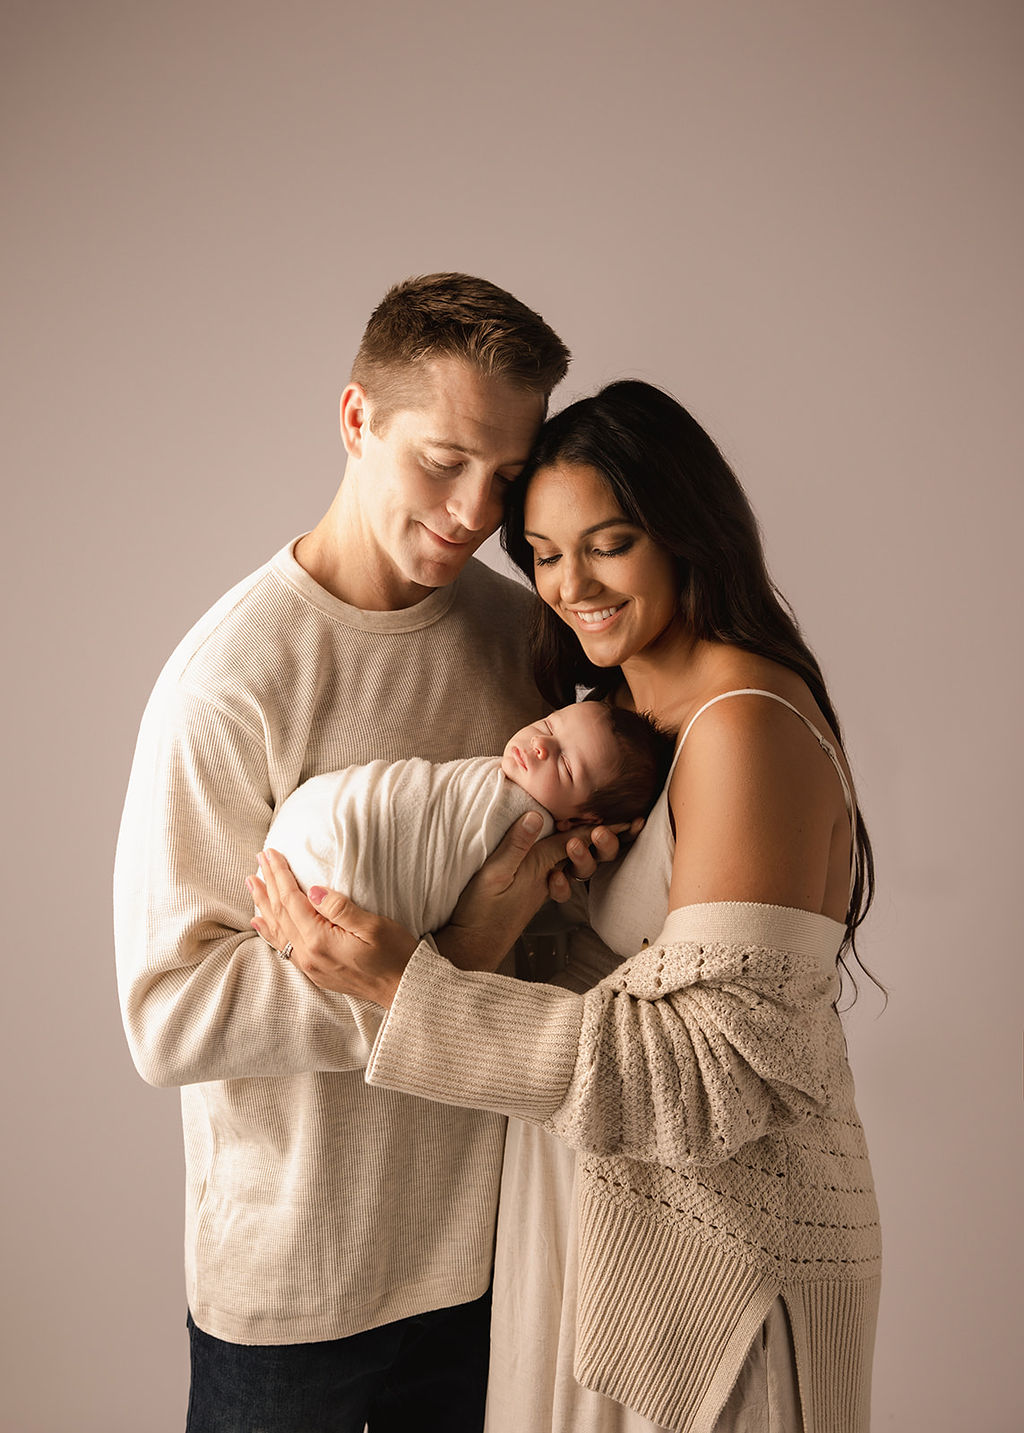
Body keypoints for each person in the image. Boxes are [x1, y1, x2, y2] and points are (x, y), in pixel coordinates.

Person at [252, 380, 883, 1433]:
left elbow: (708, 1072)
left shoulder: (742, 728)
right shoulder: (621, 712)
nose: (569, 583)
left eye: (608, 542)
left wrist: (407, 986)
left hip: (720, 1272)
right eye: (542, 553)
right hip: (605, 1236)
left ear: (686, 532)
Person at [112, 272, 628, 1433]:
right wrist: (448, 958)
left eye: (502, 477)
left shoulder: (526, 642)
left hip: (485, 1263)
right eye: (440, 460)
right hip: (294, 1293)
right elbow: (169, 1015)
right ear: (357, 420)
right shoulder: (230, 683)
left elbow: (545, 927)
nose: (468, 510)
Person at [257, 702, 675, 952]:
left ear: (582, 821)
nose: (540, 744)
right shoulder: (489, 777)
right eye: (548, 725)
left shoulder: (529, 825)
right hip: (321, 825)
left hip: (337, 880)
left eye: (565, 763)